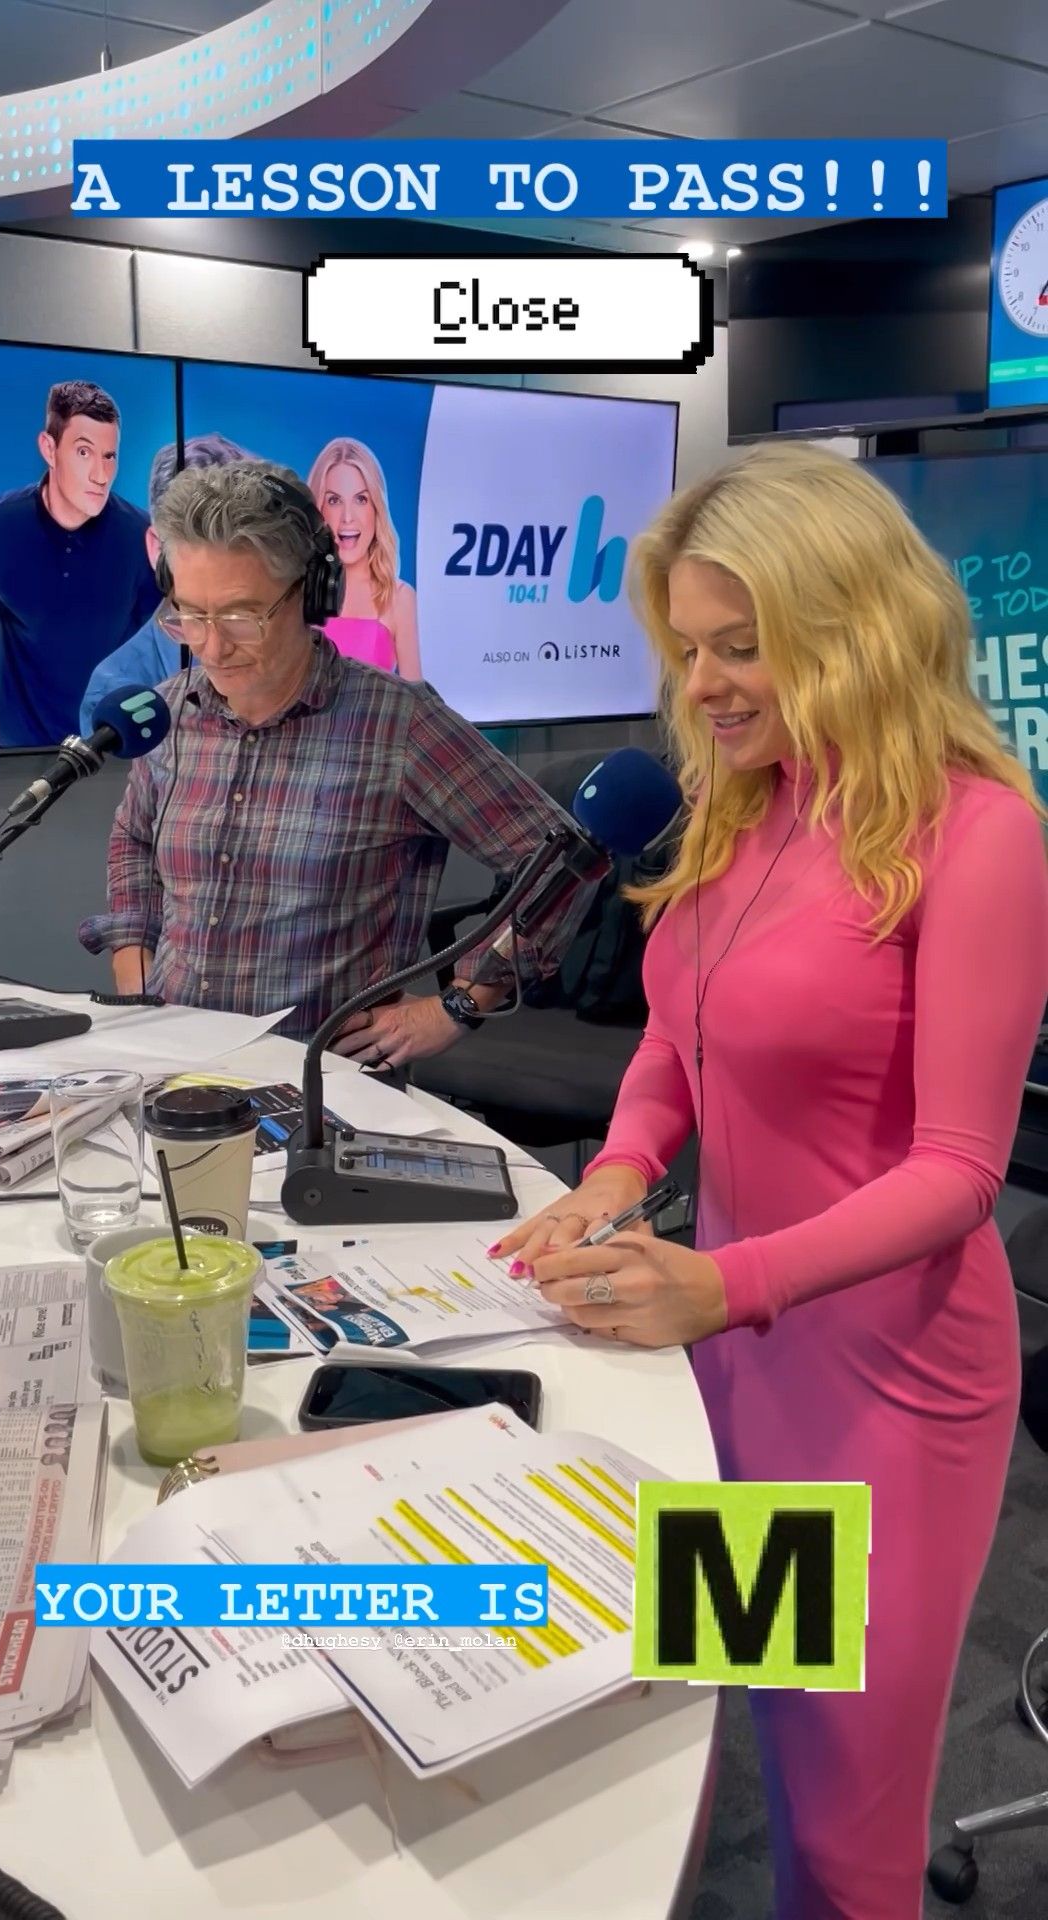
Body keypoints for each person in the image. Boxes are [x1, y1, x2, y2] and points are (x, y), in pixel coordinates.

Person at [491, 442, 1048, 1920]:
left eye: (741, 646)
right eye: (687, 649)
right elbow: (677, 1037)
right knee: (744, 1733)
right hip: (728, 1357)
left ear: (852, 624)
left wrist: (724, 1285)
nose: (705, 685)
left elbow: (960, 1173)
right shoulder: (745, 801)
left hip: (884, 1391)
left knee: (847, 1839)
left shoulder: (980, 833)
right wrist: (620, 1170)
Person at [77, 459, 588, 1053]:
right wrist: (136, 976)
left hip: (321, 1084)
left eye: (242, 617)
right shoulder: (168, 714)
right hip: (175, 1068)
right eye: (191, 615)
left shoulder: (400, 725)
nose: (212, 647)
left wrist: (459, 1004)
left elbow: (563, 861)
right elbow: (134, 837)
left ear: (312, 593)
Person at [0, 380, 158, 748]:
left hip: (117, 753)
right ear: (49, 448)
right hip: (22, 755)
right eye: (84, 452)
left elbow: (169, 643)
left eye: (109, 456)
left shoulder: (144, 538)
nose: (101, 475)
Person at [79, 432, 256, 735]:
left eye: (237, 540)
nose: (222, 562)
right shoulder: (115, 692)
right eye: (198, 539)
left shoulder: (285, 648)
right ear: (156, 549)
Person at [307, 435, 420, 679]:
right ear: (319, 511)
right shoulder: (296, 591)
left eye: (361, 499)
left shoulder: (400, 598)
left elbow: (416, 697)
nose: (347, 517)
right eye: (334, 500)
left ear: (376, 508)